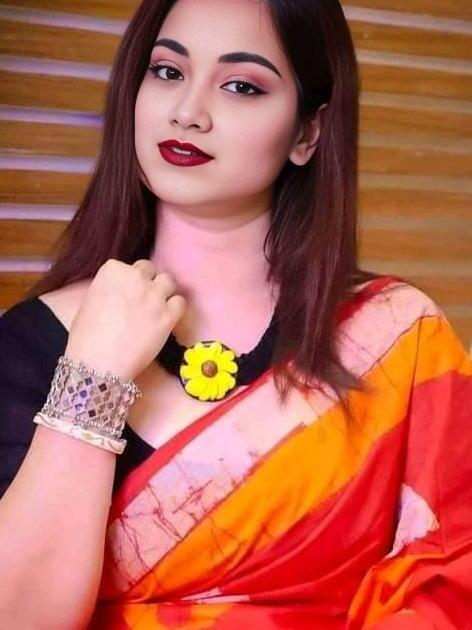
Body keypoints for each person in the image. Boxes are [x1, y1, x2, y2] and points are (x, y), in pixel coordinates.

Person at [0, 0, 471, 627]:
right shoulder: (33, 342)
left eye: (241, 86)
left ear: (307, 133)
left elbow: (454, 575)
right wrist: (92, 377)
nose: (187, 111)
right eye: (167, 72)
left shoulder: (395, 337)